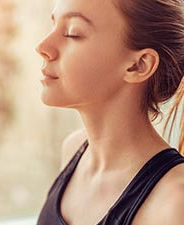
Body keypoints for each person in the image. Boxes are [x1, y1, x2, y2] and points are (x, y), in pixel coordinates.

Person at [34, 0, 184, 224]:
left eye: (73, 33)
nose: (42, 47)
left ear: (139, 65)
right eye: (54, 25)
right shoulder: (73, 150)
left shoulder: (174, 202)